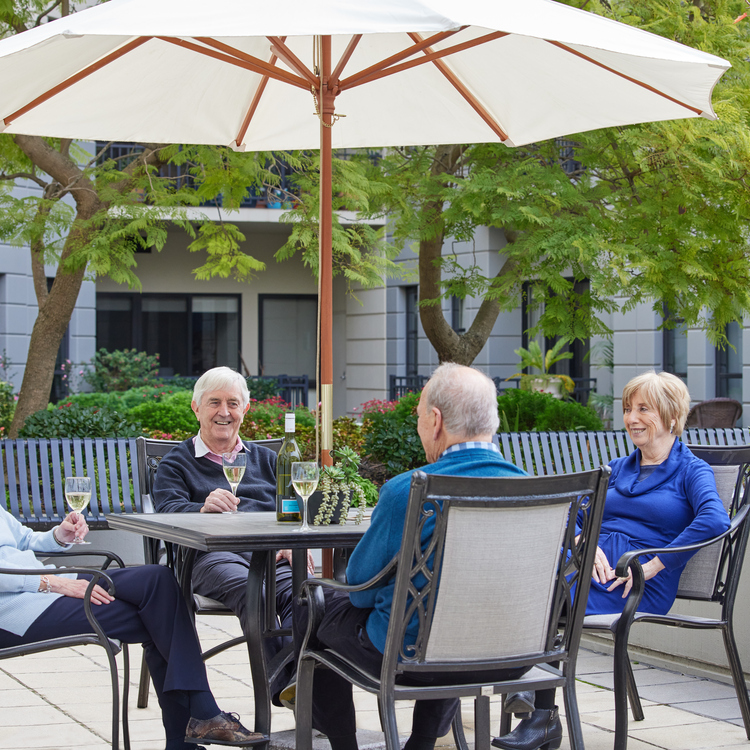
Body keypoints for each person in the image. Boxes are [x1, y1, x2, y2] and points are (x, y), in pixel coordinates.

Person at [289, 362, 529, 750]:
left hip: (410, 657)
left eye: (418, 417)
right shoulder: (531, 491)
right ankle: (421, 744)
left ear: (435, 421)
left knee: (309, 605)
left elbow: (359, 591)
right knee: (453, 615)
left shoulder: (409, 490)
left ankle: (342, 745)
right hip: (512, 655)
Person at [493, 371, 731, 750]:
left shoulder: (691, 470)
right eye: (627, 409)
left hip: (634, 581)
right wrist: (585, 543)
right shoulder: (618, 468)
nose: (632, 418)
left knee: (542, 596)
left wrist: (653, 566)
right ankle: (529, 692)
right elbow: (578, 515)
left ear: (672, 416)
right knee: (518, 570)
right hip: (591, 565)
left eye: (643, 409)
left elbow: (715, 519)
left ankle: (531, 698)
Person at [0, 505, 260, 749]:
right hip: (17, 609)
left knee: (159, 581)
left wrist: (59, 535)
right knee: (160, 616)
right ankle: (196, 723)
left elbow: (22, 540)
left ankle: (196, 724)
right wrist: (52, 583)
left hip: (43, 586)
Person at [152, 366, 310, 702]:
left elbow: (294, 509)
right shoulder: (176, 463)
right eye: (214, 403)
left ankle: (303, 684)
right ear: (196, 407)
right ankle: (290, 688)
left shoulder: (269, 460)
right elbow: (166, 512)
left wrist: (292, 544)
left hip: (269, 554)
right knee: (255, 594)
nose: (224, 412)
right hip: (208, 557)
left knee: (307, 596)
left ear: (245, 410)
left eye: (233, 403)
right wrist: (200, 509)